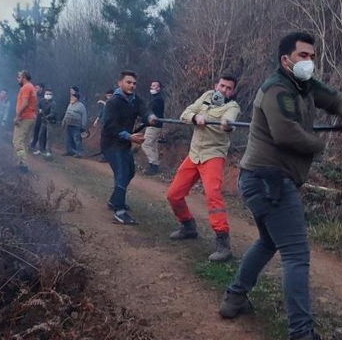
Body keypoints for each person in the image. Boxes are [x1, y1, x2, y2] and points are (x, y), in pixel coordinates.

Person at [218, 32, 342, 340]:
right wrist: (321, 144)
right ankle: (301, 334)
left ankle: (234, 298)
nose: (309, 62)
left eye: (312, 56)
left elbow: (336, 98)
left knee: (268, 241)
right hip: (268, 181)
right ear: (286, 60)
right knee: (296, 255)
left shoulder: (304, 85)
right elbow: (285, 134)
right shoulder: (277, 88)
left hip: (261, 180)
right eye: (303, 56)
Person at [166, 75, 240, 262]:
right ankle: (188, 226)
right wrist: (195, 117)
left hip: (213, 155)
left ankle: (223, 242)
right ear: (216, 85)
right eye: (222, 86)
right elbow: (185, 114)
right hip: (194, 154)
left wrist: (227, 125)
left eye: (229, 88)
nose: (224, 90)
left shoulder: (232, 106)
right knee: (173, 194)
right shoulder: (206, 96)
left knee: (213, 195)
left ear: (233, 92)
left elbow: (229, 121)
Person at [101, 70, 157, 225]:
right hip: (110, 144)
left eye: (134, 83)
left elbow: (144, 109)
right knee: (122, 173)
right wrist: (129, 136)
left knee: (130, 172)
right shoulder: (113, 102)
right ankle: (119, 212)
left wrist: (150, 117)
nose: (132, 86)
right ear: (120, 83)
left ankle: (114, 200)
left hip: (124, 144)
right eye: (128, 82)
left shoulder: (135, 99)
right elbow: (110, 125)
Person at [12, 70, 38, 173]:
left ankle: (23, 164)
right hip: (31, 117)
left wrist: (17, 116)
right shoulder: (32, 87)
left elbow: (25, 102)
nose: (17, 79)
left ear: (24, 78)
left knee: (17, 141)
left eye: (19, 77)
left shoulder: (26, 87)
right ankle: (21, 163)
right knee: (25, 142)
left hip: (25, 118)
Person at [142, 80, 166, 175]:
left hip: (153, 125)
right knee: (153, 145)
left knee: (145, 144)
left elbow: (151, 111)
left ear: (159, 88)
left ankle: (153, 164)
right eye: (151, 85)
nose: (152, 87)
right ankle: (154, 165)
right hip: (156, 125)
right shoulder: (156, 98)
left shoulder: (157, 99)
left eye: (154, 85)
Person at [62, 87, 88, 157]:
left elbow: (84, 116)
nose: (71, 98)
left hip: (76, 125)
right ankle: (69, 151)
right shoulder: (70, 105)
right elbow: (66, 113)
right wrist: (63, 121)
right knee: (68, 139)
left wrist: (83, 125)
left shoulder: (81, 106)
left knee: (77, 139)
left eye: (72, 97)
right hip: (69, 124)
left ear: (76, 98)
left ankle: (79, 153)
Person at [34, 88, 58, 157]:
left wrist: (47, 117)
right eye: (47, 94)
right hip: (43, 121)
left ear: (52, 95)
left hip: (51, 122)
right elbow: (37, 106)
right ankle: (40, 149)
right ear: (44, 94)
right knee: (41, 135)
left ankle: (49, 151)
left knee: (49, 136)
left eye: (50, 94)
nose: (48, 95)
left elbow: (53, 113)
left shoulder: (53, 103)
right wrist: (39, 110)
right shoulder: (41, 101)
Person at [29, 83, 46, 151]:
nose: (35, 89)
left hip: (41, 116)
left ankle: (39, 146)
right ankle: (31, 143)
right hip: (33, 114)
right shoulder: (34, 95)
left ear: (41, 88)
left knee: (40, 131)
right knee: (33, 129)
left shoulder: (44, 97)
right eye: (35, 87)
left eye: (37, 88)